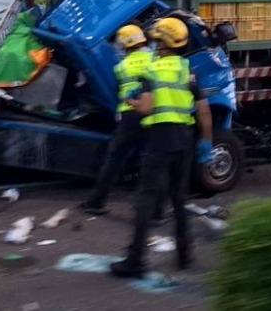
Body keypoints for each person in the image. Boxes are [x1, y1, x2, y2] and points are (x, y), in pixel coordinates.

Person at [110, 17, 214, 278]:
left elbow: (146, 107)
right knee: (179, 199)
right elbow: (204, 110)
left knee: (146, 198)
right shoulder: (187, 71)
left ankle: (135, 260)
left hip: (159, 140)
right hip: (185, 139)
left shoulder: (152, 73)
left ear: (164, 43)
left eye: (157, 40)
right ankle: (184, 255)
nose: (155, 45)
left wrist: (131, 101)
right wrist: (207, 141)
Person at [81, 24, 154, 215]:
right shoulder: (154, 59)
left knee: (114, 159)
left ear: (124, 45)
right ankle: (152, 209)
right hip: (152, 113)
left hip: (129, 116)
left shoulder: (122, 66)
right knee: (151, 159)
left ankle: (97, 202)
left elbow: (115, 89)